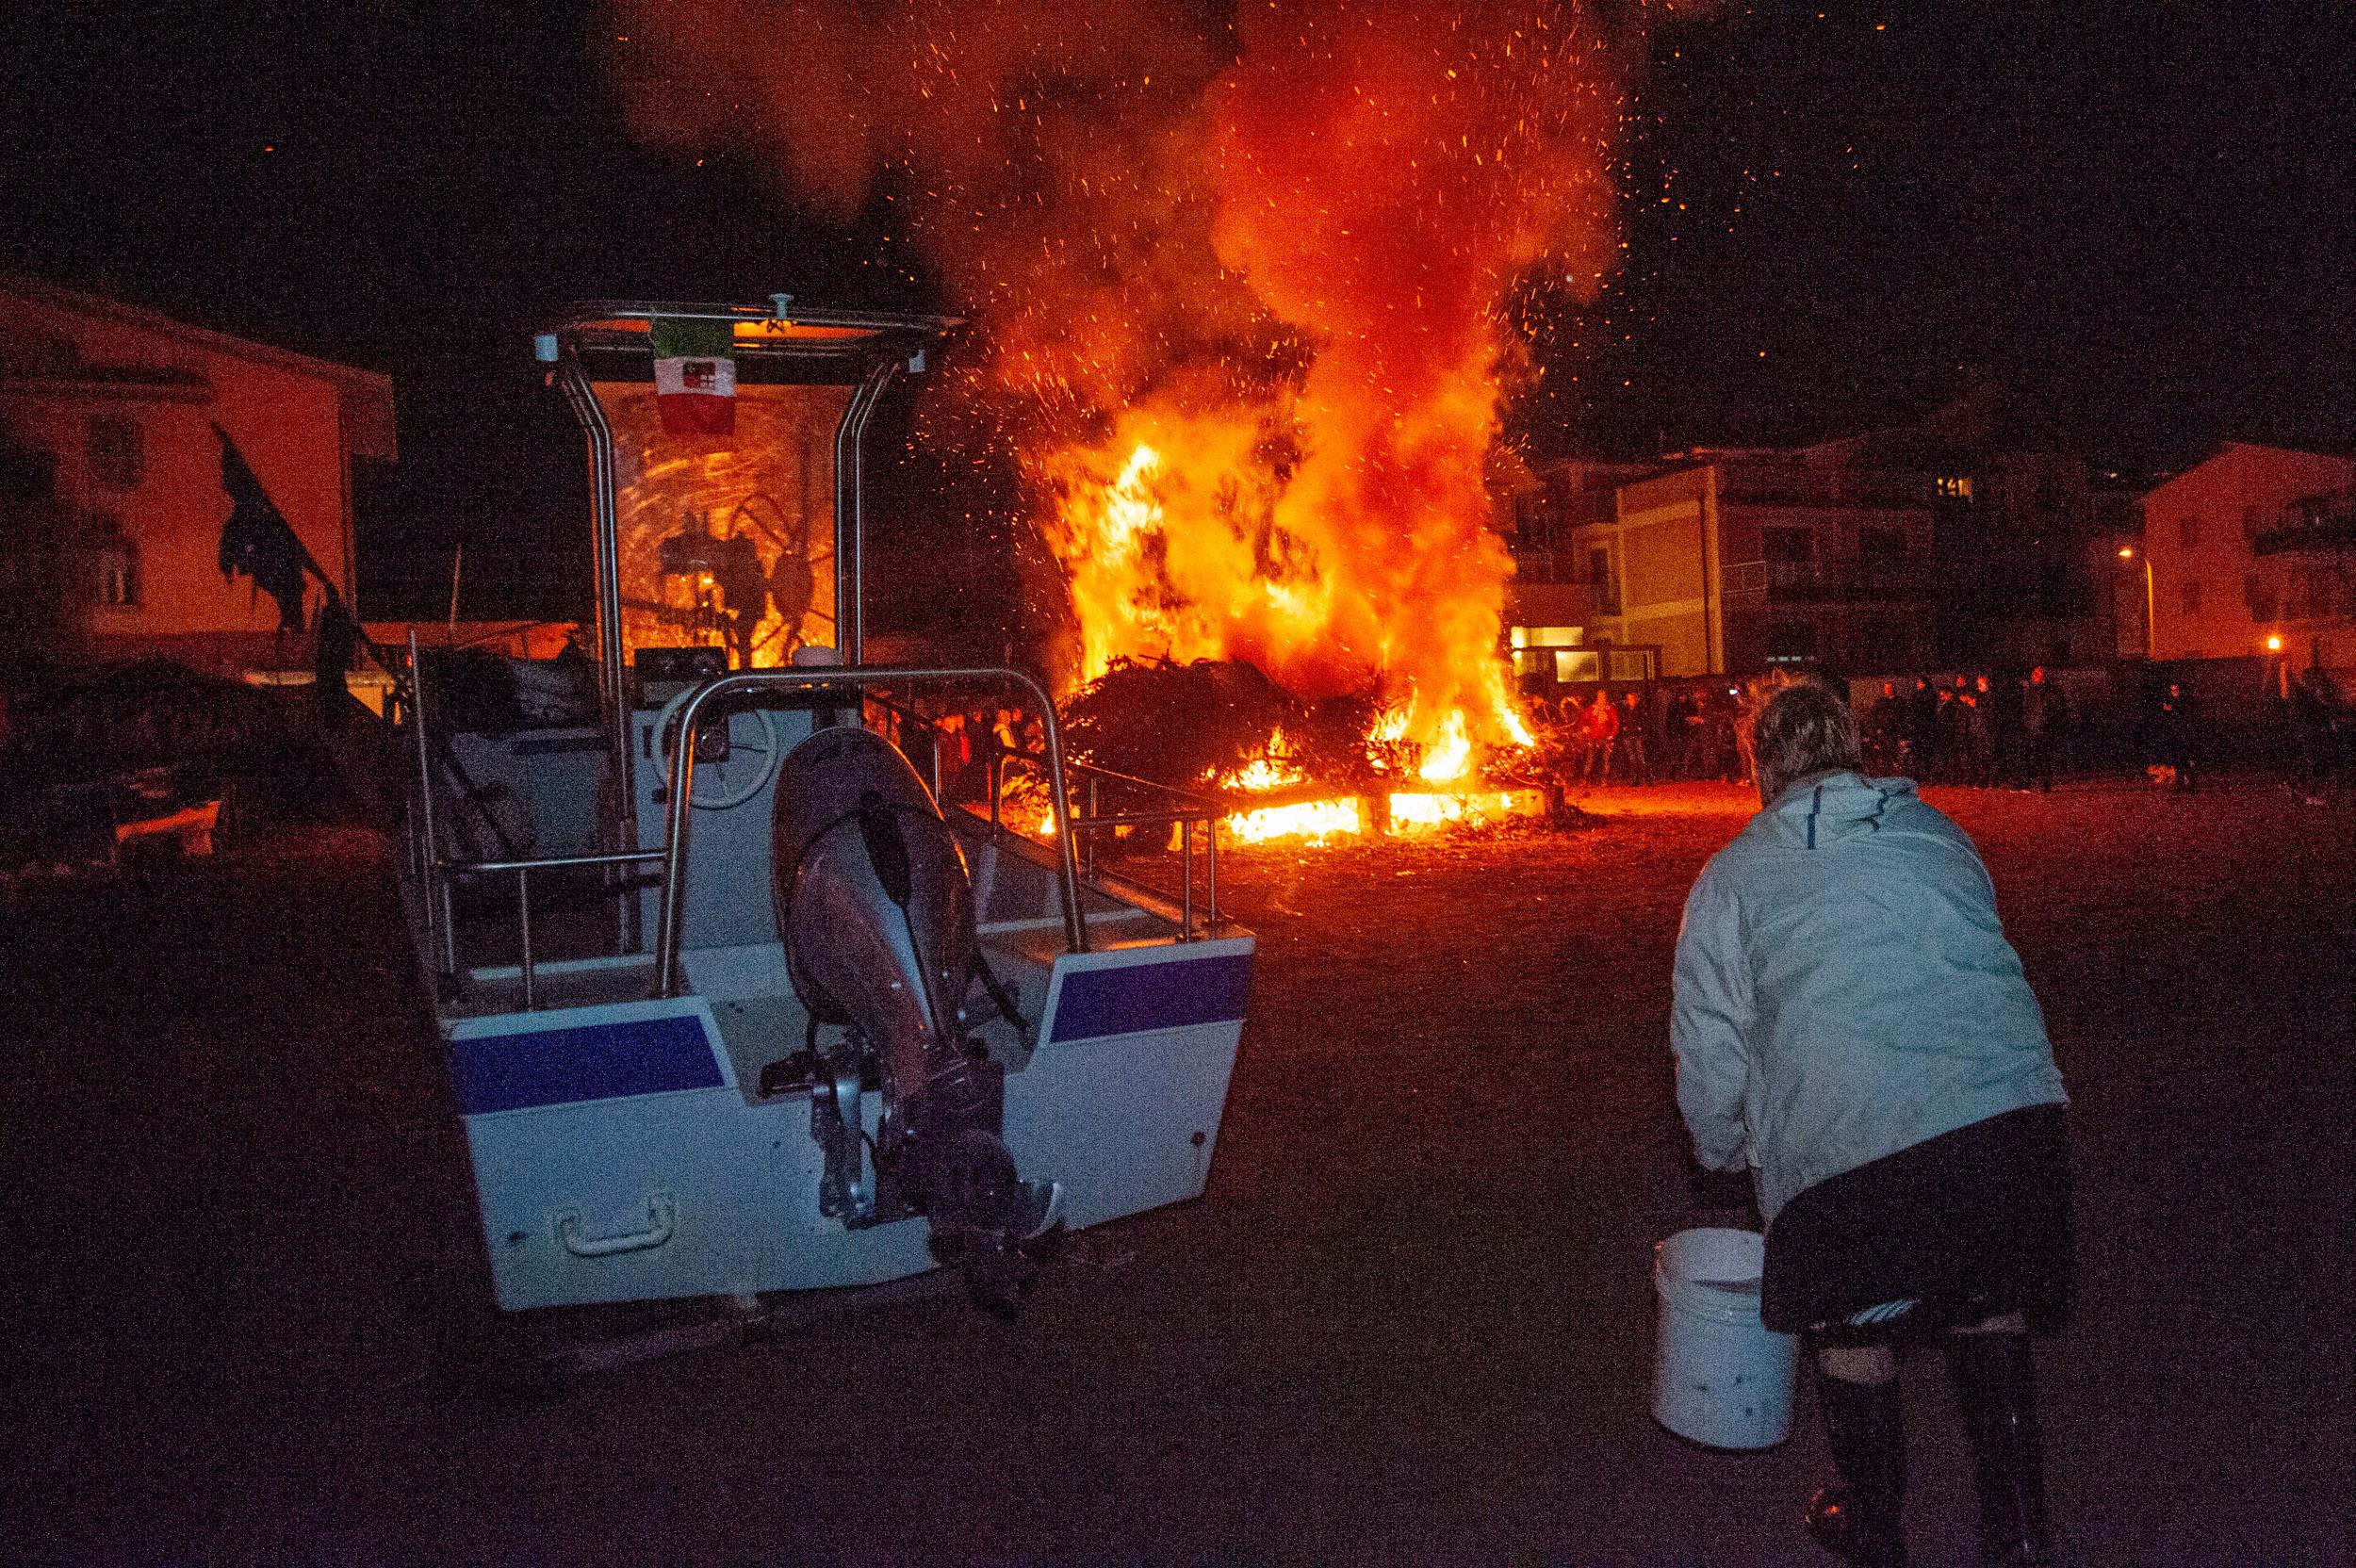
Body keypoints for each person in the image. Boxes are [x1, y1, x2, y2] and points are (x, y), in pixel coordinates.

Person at [1670, 678, 2070, 1567]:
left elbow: (1710, 1055)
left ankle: (1876, 1523)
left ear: (1759, 768)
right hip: (2014, 1126)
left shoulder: (1732, 878)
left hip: (1852, 1152)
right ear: (1853, 750)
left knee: (1851, 1321)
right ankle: (2020, 1527)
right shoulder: (1942, 834)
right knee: (1985, 1297)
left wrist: (1724, 1151)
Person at [1579, 687, 1620, 785]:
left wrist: (1612, 735)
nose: (1602, 699)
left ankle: (1604, 780)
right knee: (1590, 760)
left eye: (1604, 697)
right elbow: (1583, 720)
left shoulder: (1610, 709)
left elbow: (1615, 723)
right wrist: (1584, 727)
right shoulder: (1591, 709)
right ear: (1597, 698)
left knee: (1606, 760)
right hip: (1592, 737)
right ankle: (1586, 779)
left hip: (1606, 739)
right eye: (1600, 697)